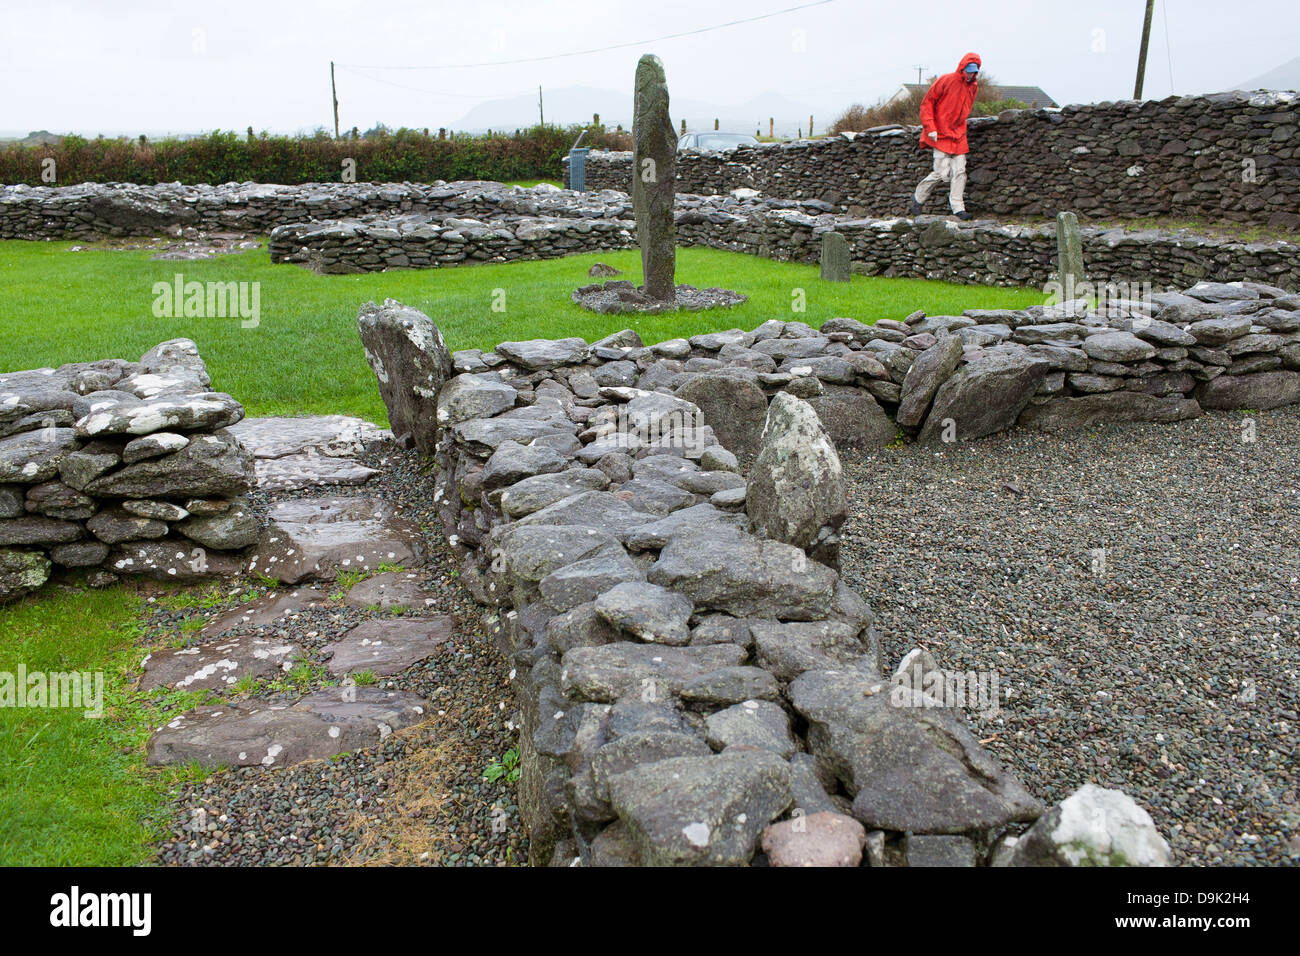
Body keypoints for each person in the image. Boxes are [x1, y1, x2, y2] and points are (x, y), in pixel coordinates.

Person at [910, 52, 981, 221]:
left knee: (960, 172)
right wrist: (930, 127)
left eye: (974, 71)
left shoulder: (974, 87)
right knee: (941, 173)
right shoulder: (946, 80)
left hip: (959, 135)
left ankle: (958, 208)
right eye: (968, 71)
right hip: (940, 134)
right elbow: (927, 103)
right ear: (962, 68)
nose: (971, 74)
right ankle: (918, 197)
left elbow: (965, 109)